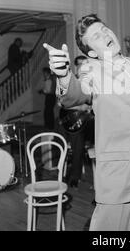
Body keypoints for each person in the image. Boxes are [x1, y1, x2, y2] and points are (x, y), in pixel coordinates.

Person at [44, 13, 130, 231]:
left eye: (105, 29)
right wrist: (63, 75)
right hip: (120, 168)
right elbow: (75, 95)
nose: (106, 34)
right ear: (92, 52)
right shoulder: (91, 70)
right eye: (97, 36)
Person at [58, 55, 94, 188]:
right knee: (77, 142)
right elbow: (61, 103)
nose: (81, 66)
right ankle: (74, 176)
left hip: (91, 121)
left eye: (84, 64)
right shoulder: (70, 83)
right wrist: (81, 107)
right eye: (79, 64)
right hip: (75, 121)